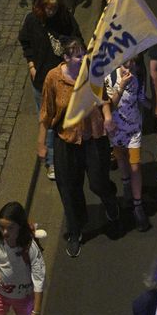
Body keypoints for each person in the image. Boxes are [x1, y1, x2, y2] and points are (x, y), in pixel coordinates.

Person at [38, 38, 120, 258]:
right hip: (66, 140)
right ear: (65, 58)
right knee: (68, 188)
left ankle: (109, 199)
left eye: (84, 53)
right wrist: (41, 144)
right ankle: (76, 230)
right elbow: (46, 112)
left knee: (98, 181)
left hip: (93, 137)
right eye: (78, 55)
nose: (83, 58)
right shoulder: (53, 78)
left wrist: (108, 117)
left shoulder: (93, 72)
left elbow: (103, 99)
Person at [18, 0, 84, 179]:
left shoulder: (65, 19)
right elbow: (25, 41)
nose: (51, 11)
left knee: (65, 118)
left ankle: (68, 156)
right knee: (46, 119)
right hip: (42, 80)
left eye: (54, 8)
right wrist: (31, 64)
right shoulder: (32, 21)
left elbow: (78, 40)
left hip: (63, 79)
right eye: (48, 8)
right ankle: (52, 162)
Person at [106, 55, 151, 232]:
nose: (130, 67)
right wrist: (122, 86)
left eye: (133, 62)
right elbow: (110, 106)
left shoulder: (138, 76)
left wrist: (155, 107)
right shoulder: (110, 78)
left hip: (133, 130)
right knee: (121, 160)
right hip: (116, 130)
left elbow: (141, 98)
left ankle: (138, 206)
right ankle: (126, 187)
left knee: (135, 166)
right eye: (126, 63)